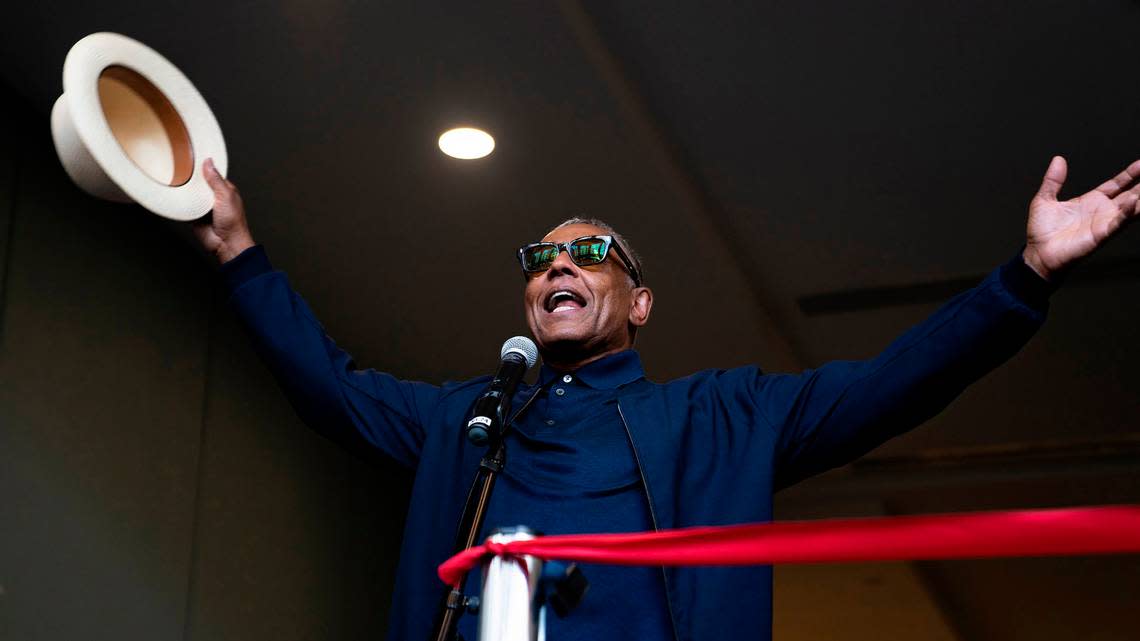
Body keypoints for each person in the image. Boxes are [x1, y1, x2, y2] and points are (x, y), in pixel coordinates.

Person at [192, 155, 1140, 641]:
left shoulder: (722, 418)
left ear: (638, 303)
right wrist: (239, 251)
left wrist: (1024, 278)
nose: (560, 262)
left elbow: (890, 386)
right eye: (542, 258)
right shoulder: (464, 419)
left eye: (589, 252)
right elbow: (330, 386)